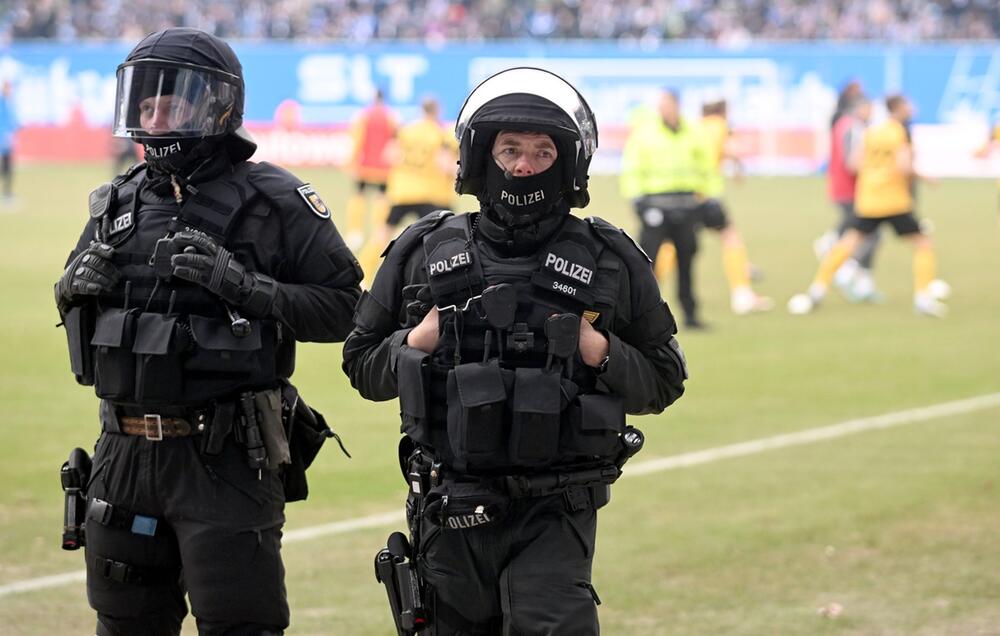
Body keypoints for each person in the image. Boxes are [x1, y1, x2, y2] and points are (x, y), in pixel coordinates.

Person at [342, 67, 687, 635]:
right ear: (483, 156)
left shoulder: (610, 258)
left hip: (556, 513)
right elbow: (361, 364)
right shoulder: (421, 251)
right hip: (447, 508)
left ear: (568, 163)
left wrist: (598, 349)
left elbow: (665, 378)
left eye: (541, 152)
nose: (523, 165)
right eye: (510, 150)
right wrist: (415, 343)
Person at [54, 28, 362, 635]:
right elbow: (84, 327)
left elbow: (349, 309)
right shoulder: (114, 206)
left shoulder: (276, 202)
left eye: (171, 102)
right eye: (146, 104)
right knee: (123, 625)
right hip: (121, 455)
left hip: (224, 457)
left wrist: (247, 288)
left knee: (241, 624)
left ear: (217, 105)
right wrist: (69, 292)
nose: (155, 116)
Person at [620, 89, 768, 330]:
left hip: (688, 203)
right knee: (649, 261)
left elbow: (705, 165)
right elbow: (633, 167)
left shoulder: (693, 131)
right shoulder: (647, 133)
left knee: (686, 259)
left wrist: (709, 196)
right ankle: (641, 312)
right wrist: (638, 201)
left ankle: (689, 312)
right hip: (655, 204)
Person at [788, 94, 947, 317]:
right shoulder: (898, 132)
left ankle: (817, 290)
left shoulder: (871, 131)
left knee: (848, 243)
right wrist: (924, 177)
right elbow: (903, 167)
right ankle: (923, 298)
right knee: (923, 244)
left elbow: (855, 162)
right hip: (894, 201)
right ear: (898, 108)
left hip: (869, 198)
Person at [357, 96, 457, 284]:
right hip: (431, 194)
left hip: (402, 192)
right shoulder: (440, 133)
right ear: (437, 111)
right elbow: (443, 164)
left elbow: (389, 155)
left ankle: (362, 275)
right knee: (444, 239)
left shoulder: (406, 130)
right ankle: (444, 279)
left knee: (382, 235)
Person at [814, 95, 884, 302]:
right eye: (869, 107)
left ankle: (856, 277)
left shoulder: (842, 124)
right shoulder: (854, 127)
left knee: (861, 233)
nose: (871, 112)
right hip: (853, 190)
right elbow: (852, 162)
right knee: (865, 235)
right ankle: (844, 268)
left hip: (842, 188)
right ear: (860, 108)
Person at [344, 88, 398, 251]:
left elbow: (357, 140)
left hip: (365, 165)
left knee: (358, 195)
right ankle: (379, 230)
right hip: (383, 167)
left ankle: (355, 232)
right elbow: (395, 141)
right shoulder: (392, 117)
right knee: (381, 197)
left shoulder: (363, 116)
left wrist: (352, 162)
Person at [0, 80, 19, 201]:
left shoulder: (9, 102)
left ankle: (7, 193)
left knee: (7, 168)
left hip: (8, 138)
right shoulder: (2, 103)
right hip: (3, 139)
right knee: (6, 167)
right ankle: (7, 194)